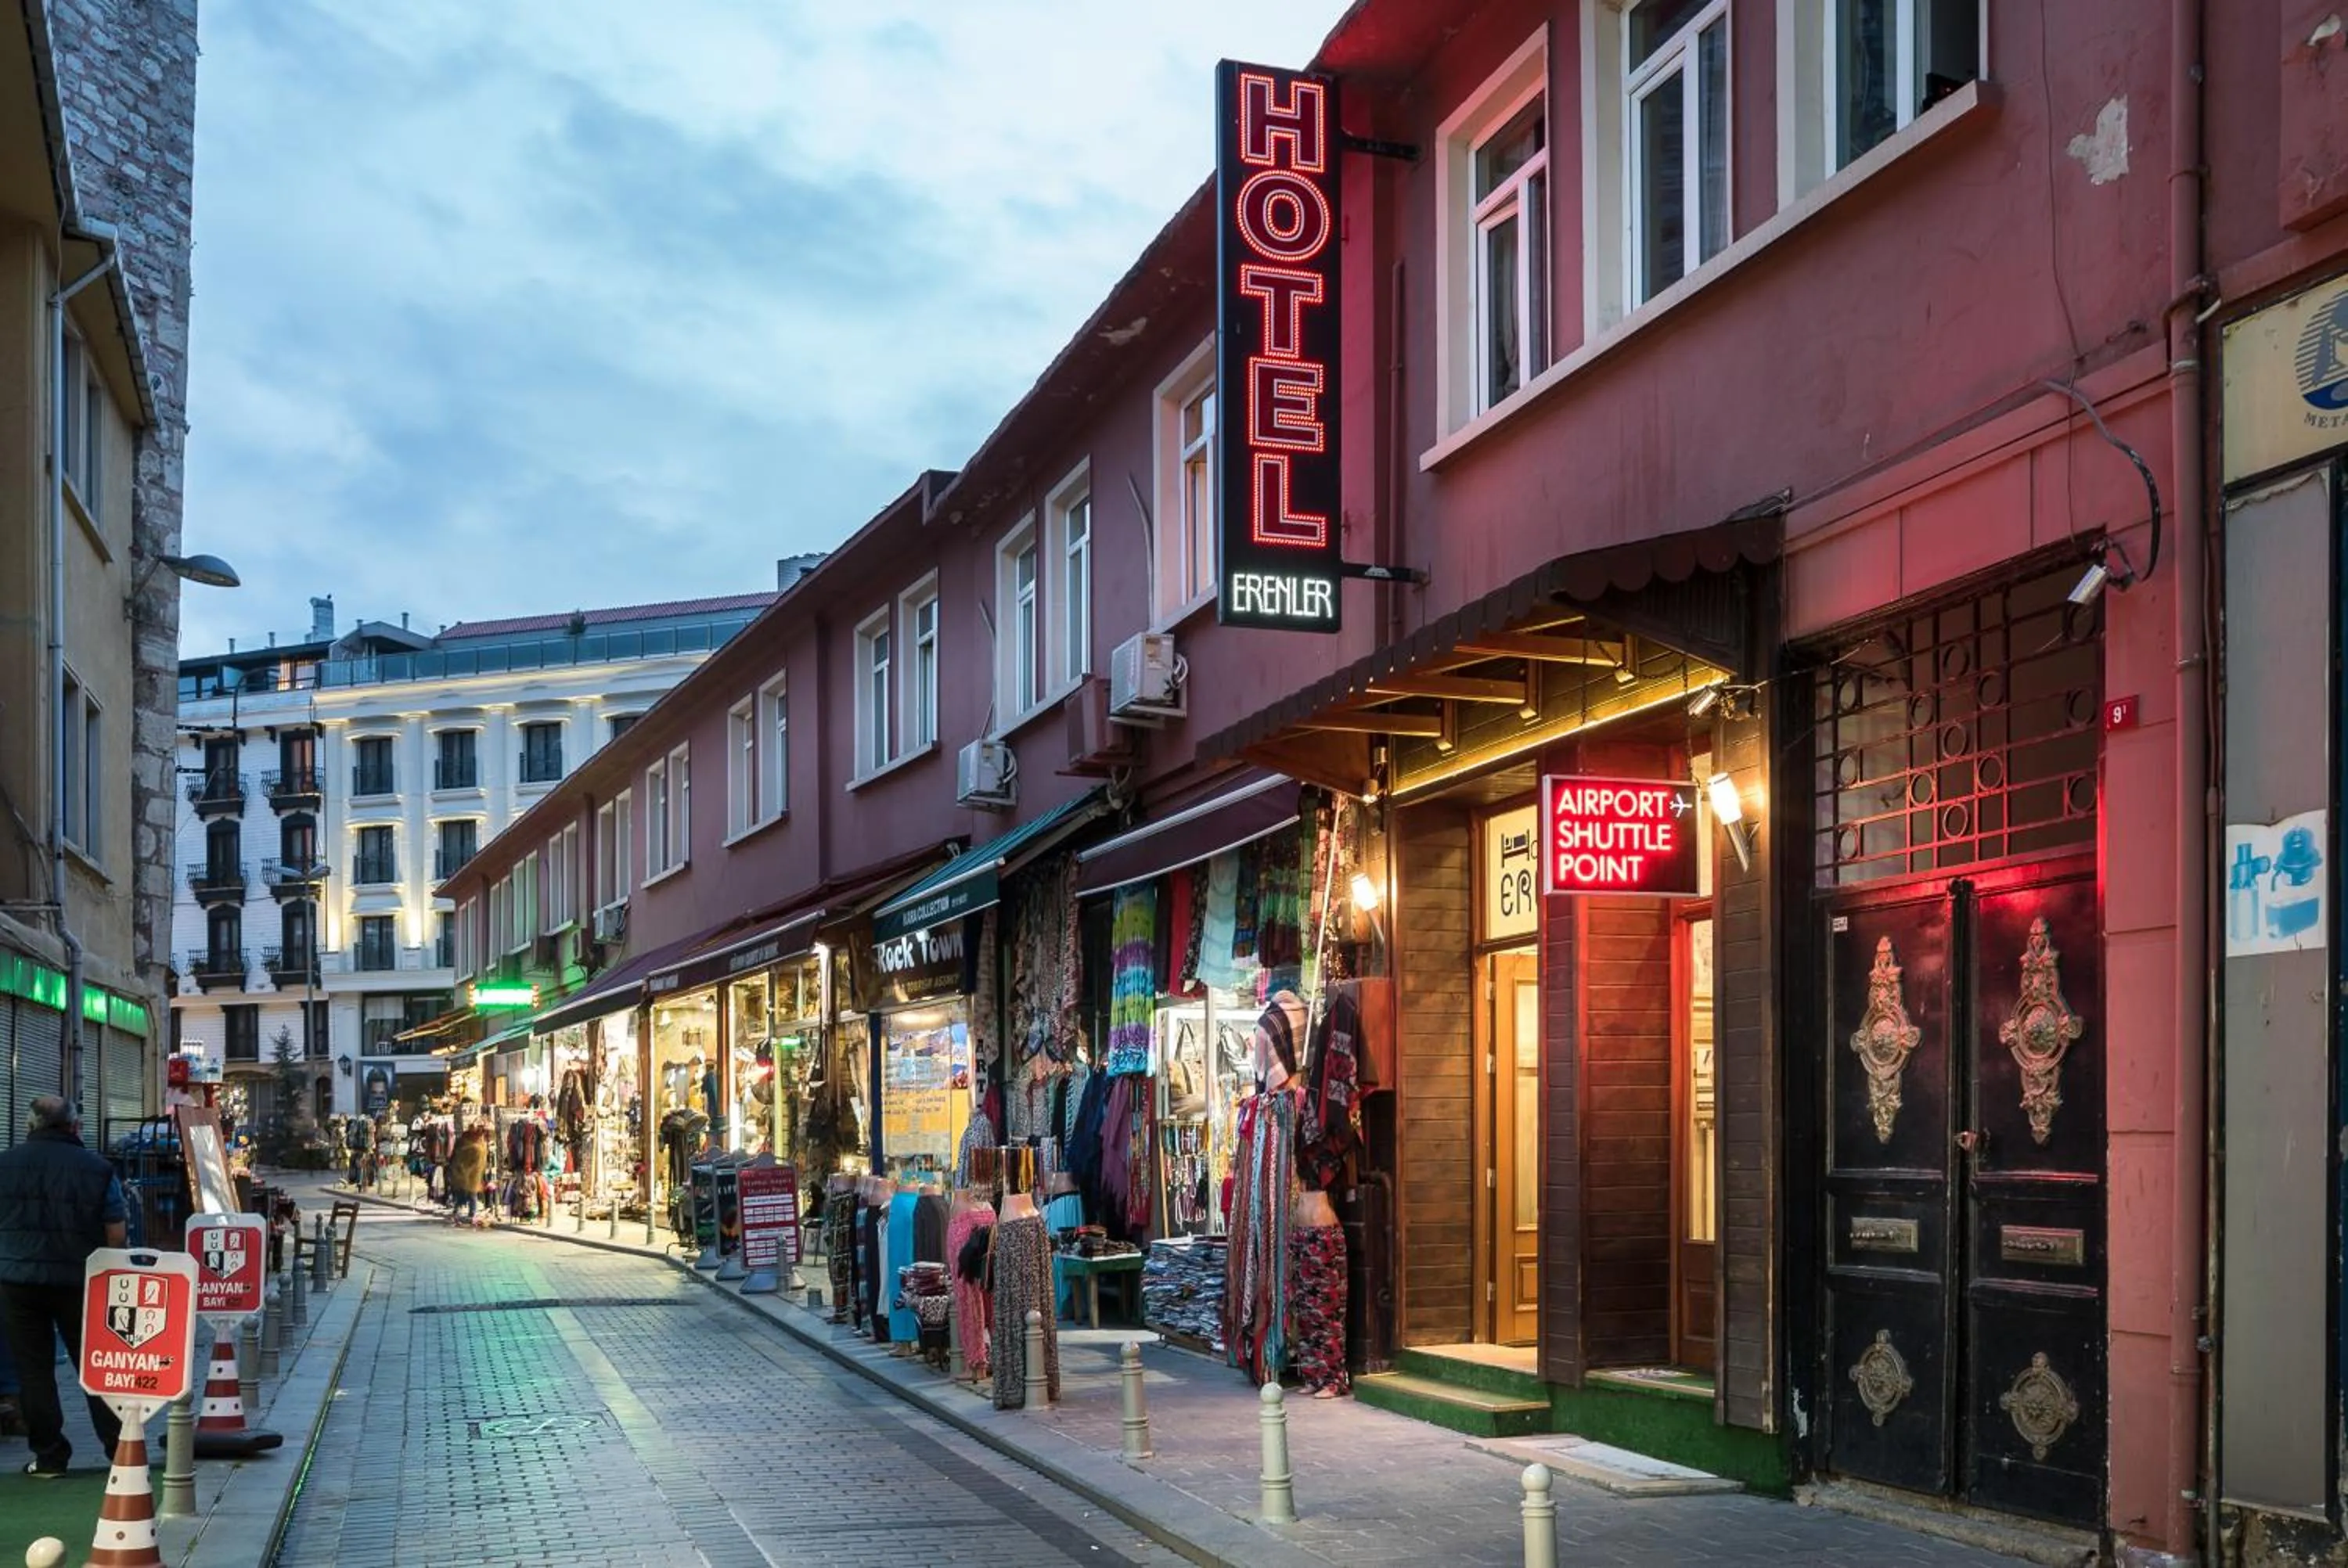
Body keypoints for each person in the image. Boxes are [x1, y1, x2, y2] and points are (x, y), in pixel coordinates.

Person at [0, 1097, 128, 1475]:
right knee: (96, 1365)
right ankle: (119, 1451)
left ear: (30, 1127)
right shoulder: (98, 1169)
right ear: (75, 1127)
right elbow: (117, 1233)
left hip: (17, 1281)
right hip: (81, 1280)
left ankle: (51, 1456)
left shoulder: (4, 1165)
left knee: (33, 1370)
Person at [448, 1119, 492, 1228]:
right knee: (468, 1193)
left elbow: (458, 1153)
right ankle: (465, 1211)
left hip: (471, 1172)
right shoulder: (473, 1141)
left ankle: (466, 1212)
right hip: (469, 1171)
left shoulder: (473, 1140)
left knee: (469, 1193)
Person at [344, 1112, 374, 1189]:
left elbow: (351, 1136)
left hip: (356, 1148)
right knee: (366, 1165)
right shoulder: (369, 1123)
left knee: (357, 1164)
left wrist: (350, 1146)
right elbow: (371, 1137)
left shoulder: (354, 1123)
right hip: (366, 1148)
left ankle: (356, 1180)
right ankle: (367, 1181)